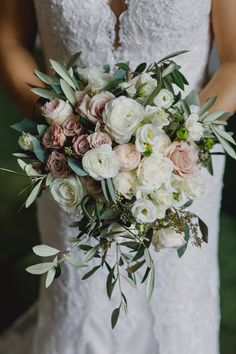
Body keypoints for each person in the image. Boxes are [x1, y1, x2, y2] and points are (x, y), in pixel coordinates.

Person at [0, 1, 235, 353]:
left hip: (177, 171)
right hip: (69, 167)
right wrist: (64, 132)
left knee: (177, 307)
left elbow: (233, 60)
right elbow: (11, 40)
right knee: (78, 301)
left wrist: (180, 141)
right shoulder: (67, 149)